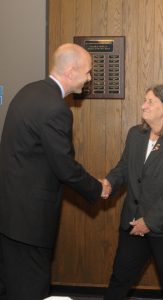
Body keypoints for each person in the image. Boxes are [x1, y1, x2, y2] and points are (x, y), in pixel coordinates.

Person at [0, 43, 104, 300]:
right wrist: (98, 188)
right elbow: (65, 168)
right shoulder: (56, 108)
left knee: (9, 285)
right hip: (29, 222)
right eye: (88, 72)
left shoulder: (28, 91)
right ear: (71, 71)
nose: (90, 78)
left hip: (9, 213)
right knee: (30, 289)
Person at [102, 84, 163, 300]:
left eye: (150, 101)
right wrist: (108, 183)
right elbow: (124, 168)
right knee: (119, 281)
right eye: (144, 100)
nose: (143, 105)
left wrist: (150, 221)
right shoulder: (135, 134)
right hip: (133, 225)